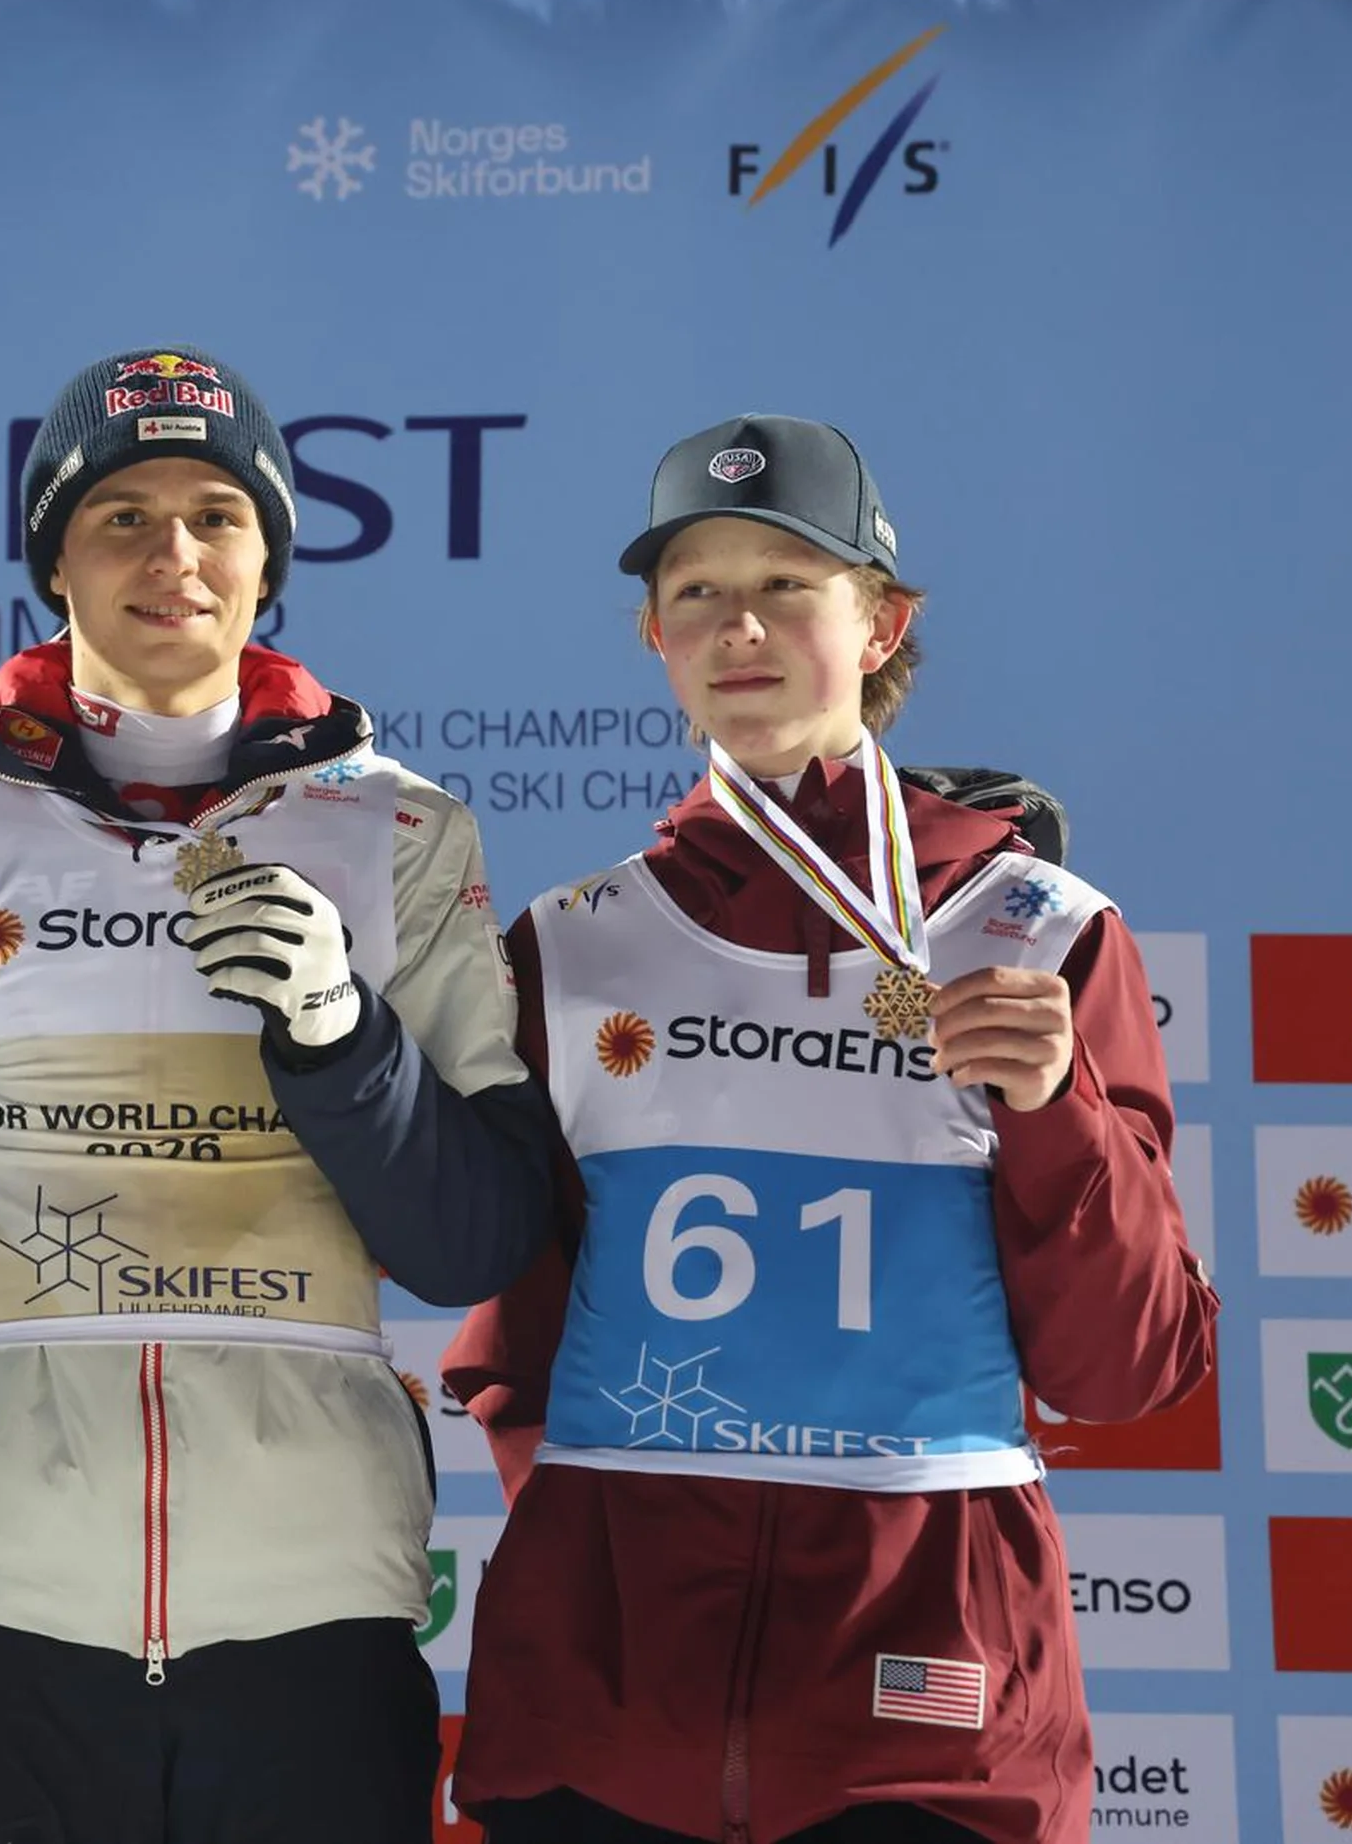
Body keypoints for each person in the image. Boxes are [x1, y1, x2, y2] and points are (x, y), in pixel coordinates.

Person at [0, 346, 556, 1844]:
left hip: (309, 1605)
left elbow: (474, 1242)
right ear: (53, 556)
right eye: (120, 514)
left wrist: (339, 1033)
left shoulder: (399, 835)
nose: (171, 553)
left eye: (214, 513)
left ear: (269, 561)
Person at [445, 415, 1218, 1844]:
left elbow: (1130, 1365)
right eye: (697, 593)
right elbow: (520, 1336)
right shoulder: (578, 944)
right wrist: (596, 1565)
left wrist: (1057, 1115)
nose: (740, 624)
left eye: (790, 581)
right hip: (610, 1720)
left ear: (883, 622)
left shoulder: (1030, 929)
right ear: (654, 641)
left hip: (928, 1716)